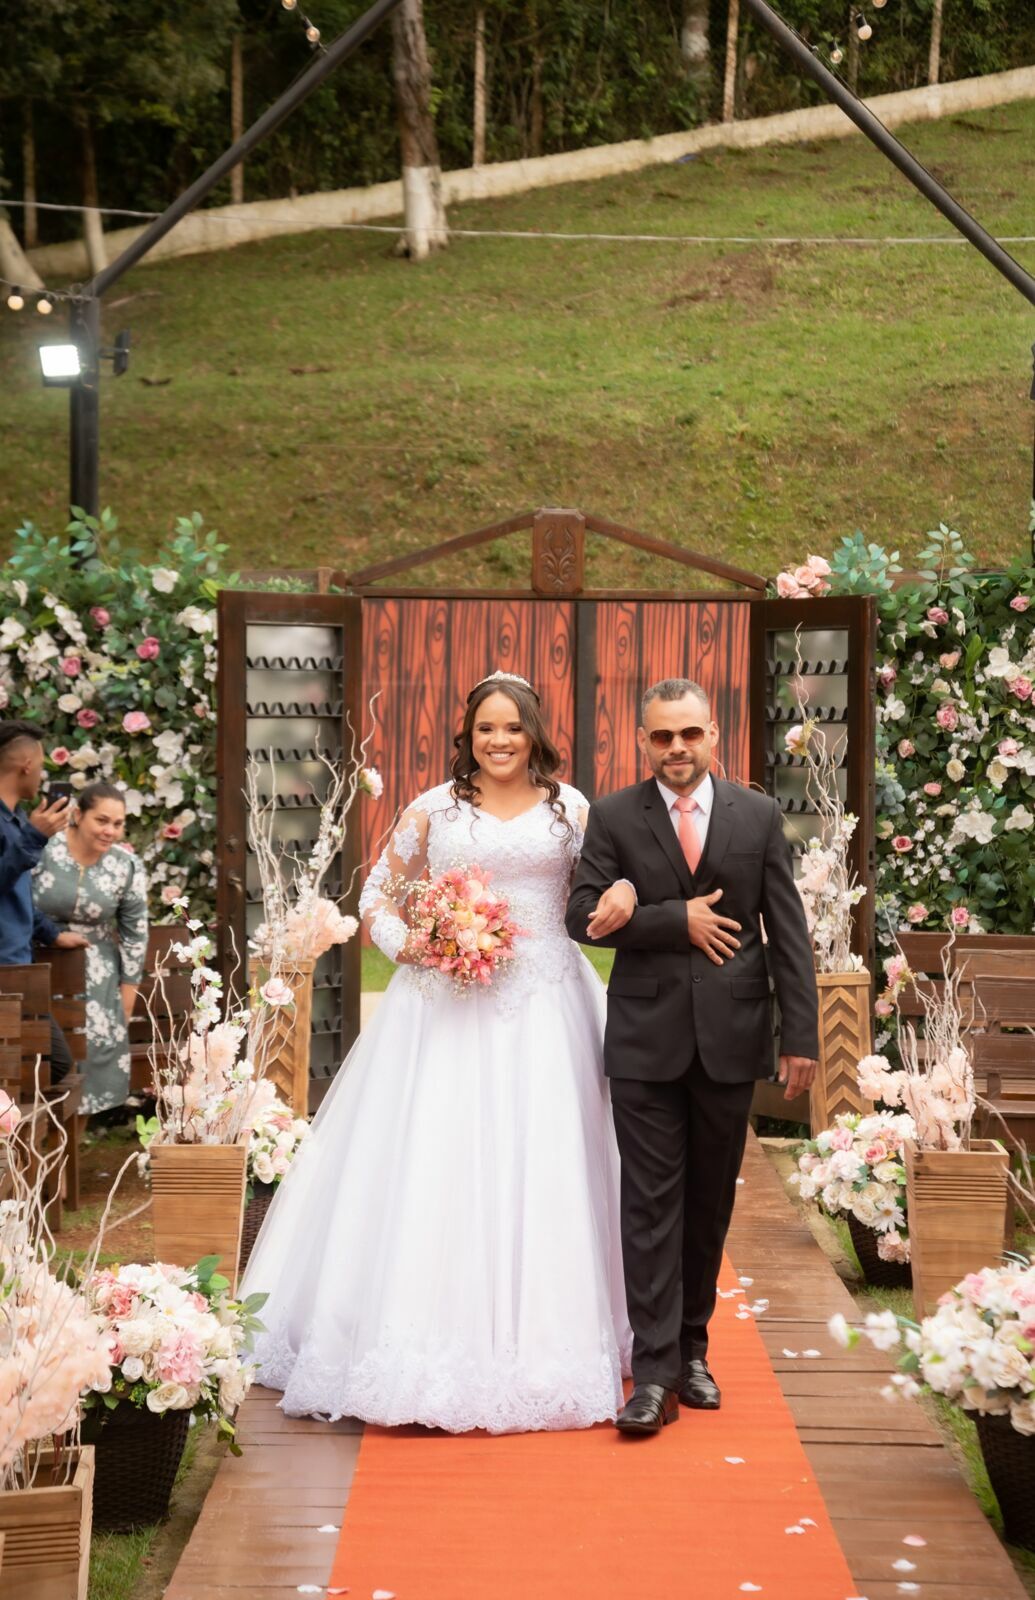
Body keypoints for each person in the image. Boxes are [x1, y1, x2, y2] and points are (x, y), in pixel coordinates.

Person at [241, 670, 631, 1433]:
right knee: (439, 1153)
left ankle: (557, 1337)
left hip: (547, 999)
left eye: (511, 727)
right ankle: (410, 1340)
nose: (498, 740)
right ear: (468, 734)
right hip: (446, 1002)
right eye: (485, 727)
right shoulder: (434, 808)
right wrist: (415, 947)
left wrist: (623, 901)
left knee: (550, 1154)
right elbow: (377, 893)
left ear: (534, 733)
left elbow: (608, 886)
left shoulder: (572, 809)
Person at [566, 677, 819, 1436]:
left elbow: (787, 929)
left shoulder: (758, 814)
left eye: (689, 735)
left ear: (713, 735)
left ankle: (692, 1351)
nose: (675, 749)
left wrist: (799, 1038)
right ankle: (649, 1377)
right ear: (642, 740)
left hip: (733, 1038)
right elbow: (580, 917)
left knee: (708, 1203)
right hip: (644, 1040)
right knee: (648, 1204)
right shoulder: (611, 816)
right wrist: (672, 919)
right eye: (660, 737)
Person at [33, 781, 149, 1120]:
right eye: (101, 820)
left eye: (117, 823)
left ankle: (70, 1165)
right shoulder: (43, 850)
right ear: (78, 815)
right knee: (38, 1063)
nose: (109, 831)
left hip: (97, 979)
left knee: (92, 1068)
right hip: (38, 967)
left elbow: (134, 932)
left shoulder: (125, 866)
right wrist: (51, 934)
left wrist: (128, 992)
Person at [0, 719, 88, 1083]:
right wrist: (34, 838)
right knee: (47, 1064)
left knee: (50, 1064)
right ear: (27, 765)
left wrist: (51, 934)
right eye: (42, 764)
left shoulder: (17, 820)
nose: (42, 775)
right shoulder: (22, 829)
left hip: (20, 970)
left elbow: (13, 892)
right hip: (4, 973)